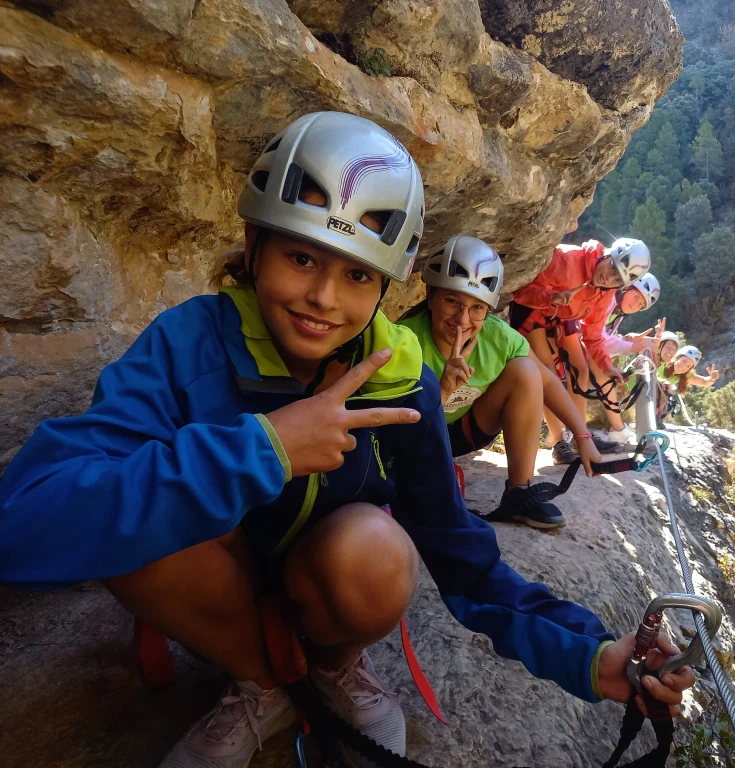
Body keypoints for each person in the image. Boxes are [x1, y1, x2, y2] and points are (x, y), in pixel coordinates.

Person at [0, 112, 695, 767]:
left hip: (329, 578)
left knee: (378, 550)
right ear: (254, 247)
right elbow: (24, 520)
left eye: (358, 273)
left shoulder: (401, 380)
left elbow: (460, 556)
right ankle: (263, 679)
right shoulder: (188, 345)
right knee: (138, 517)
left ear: (385, 286)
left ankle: (330, 668)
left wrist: (590, 654)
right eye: (302, 258)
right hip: (219, 582)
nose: (324, 298)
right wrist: (262, 448)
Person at [399, 235, 602, 529]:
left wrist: (583, 437)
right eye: (451, 301)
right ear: (430, 296)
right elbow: (393, 426)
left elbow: (545, 380)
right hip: (413, 434)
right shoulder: (405, 340)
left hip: (461, 431)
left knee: (525, 370)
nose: (462, 319)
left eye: (477, 308)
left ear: (488, 311)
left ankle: (519, 493)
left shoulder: (498, 337)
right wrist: (441, 391)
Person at [508, 238, 651, 465]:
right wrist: (550, 298)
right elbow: (520, 290)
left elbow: (592, 335)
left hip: (563, 315)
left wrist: (607, 366)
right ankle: (558, 442)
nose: (608, 278)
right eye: (612, 267)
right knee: (548, 374)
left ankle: (580, 435)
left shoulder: (605, 291)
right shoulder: (567, 259)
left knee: (581, 370)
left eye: (617, 280)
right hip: (535, 308)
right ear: (607, 255)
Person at [588, 274, 663, 450]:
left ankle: (566, 433)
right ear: (626, 288)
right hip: (571, 348)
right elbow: (596, 338)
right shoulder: (609, 300)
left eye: (641, 304)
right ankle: (618, 429)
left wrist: (626, 339)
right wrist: (630, 346)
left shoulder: (617, 312)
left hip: (576, 350)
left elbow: (604, 339)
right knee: (602, 368)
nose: (635, 304)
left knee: (600, 368)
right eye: (636, 296)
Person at [656, 344, 720, 423]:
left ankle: (657, 417)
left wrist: (712, 379)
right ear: (677, 357)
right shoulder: (663, 362)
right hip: (642, 387)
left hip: (651, 397)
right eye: (683, 361)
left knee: (666, 391)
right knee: (665, 387)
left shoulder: (683, 375)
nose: (683, 367)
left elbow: (704, 382)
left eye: (688, 366)